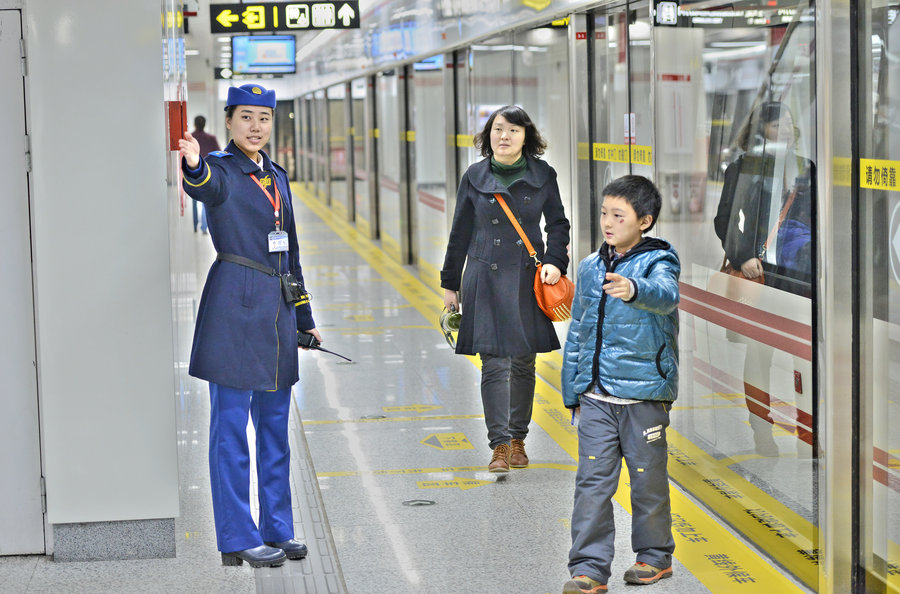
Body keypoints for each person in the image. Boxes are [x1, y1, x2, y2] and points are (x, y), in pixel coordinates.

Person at [178, 84, 322, 568]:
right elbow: (203, 188)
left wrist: (305, 318)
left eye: (264, 117)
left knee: (275, 428)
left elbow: (292, 253)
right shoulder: (221, 168)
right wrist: (194, 165)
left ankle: (277, 526)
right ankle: (238, 535)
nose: (256, 126)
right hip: (235, 304)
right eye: (246, 117)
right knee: (231, 431)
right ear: (230, 121)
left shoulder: (277, 176)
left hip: (277, 312)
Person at [561, 176, 680, 592]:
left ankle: (654, 556)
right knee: (592, 482)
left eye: (618, 215)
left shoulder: (659, 261)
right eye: (604, 213)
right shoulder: (592, 267)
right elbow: (578, 330)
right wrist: (572, 390)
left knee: (646, 478)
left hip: (643, 395)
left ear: (644, 221)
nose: (607, 223)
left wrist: (633, 289)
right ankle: (589, 569)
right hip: (595, 396)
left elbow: (666, 295)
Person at [441, 105, 570, 473]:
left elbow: (558, 224)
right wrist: (450, 284)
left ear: (526, 136)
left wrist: (554, 262)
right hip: (484, 275)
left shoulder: (544, 175)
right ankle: (498, 445)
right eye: (498, 129)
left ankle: (518, 438)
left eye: (513, 130)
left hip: (527, 277)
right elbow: (459, 232)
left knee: (524, 362)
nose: (504, 137)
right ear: (488, 134)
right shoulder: (475, 176)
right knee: (494, 362)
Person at [713, 100, 816, 455]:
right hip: (762, 273)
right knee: (760, 355)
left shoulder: (807, 168)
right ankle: (762, 431)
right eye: (776, 125)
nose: (785, 129)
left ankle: (809, 434)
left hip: (801, 277)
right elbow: (723, 220)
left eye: (788, 122)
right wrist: (742, 257)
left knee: (806, 357)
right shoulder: (743, 167)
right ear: (760, 131)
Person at [190, 115, 221, 234]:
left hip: (192, 173)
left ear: (194, 124)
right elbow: (218, 154)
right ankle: (204, 227)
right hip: (207, 174)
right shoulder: (211, 138)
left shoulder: (190, 138)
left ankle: (194, 225)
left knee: (194, 201)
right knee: (205, 203)